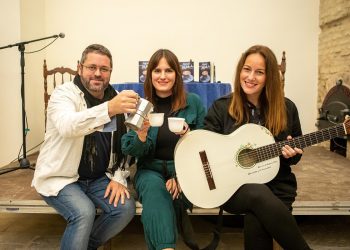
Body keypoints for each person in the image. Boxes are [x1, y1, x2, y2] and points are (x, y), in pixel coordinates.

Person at [203, 45, 311, 250]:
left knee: (256, 219)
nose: (251, 77)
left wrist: (291, 154)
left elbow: (296, 155)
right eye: (247, 69)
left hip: (278, 184)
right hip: (232, 187)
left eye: (259, 72)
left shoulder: (287, 108)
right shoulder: (221, 107)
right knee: (258, 193)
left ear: (269, 76)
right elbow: (205, 148)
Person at [32, 44, 137, 250]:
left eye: (104, 69)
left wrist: (118, 178)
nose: (98, 73)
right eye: (91, 67)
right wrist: (109, 109)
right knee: (84, 212)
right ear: (80, 68)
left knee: (124, 209)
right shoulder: (63, 94)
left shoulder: (114, 98)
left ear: (110, 72)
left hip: (97, 177)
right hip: (62, 178)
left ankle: (83, 245)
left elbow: (125, 146)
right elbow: (67, 125)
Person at [121, 49, 206, 250]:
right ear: (149, 75)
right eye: (157, 70)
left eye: (168, 70)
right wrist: (141, 135)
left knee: (169, 195)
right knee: (155, 189)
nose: (162, 76)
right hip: (150, 169)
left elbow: (204, 146)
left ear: (177, 74)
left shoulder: (193, 102)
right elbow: (129, 148)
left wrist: (182, 173)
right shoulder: (141, 106)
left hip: (185, 171)